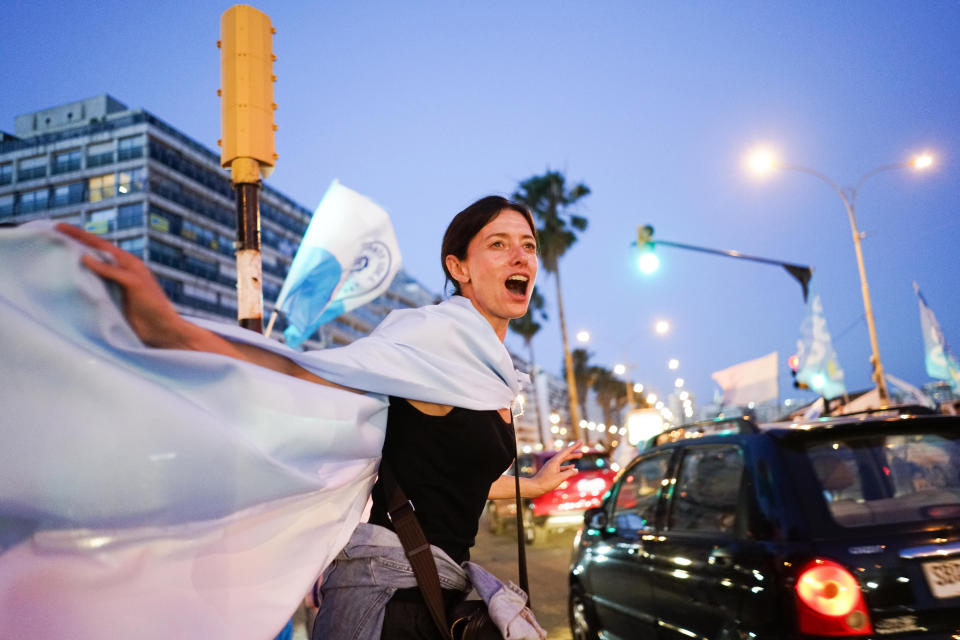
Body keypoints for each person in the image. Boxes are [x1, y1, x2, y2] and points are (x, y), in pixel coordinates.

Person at [55, 195, 579, 639]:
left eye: (528, 246)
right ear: (457, 267)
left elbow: (445, 479)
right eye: (498, 243)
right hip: (387, 592)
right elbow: (307, 373)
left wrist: (530, 488)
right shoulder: (431, 340)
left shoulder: (491, 372)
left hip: (434, 588)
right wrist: (174, 333)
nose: (520, 256)